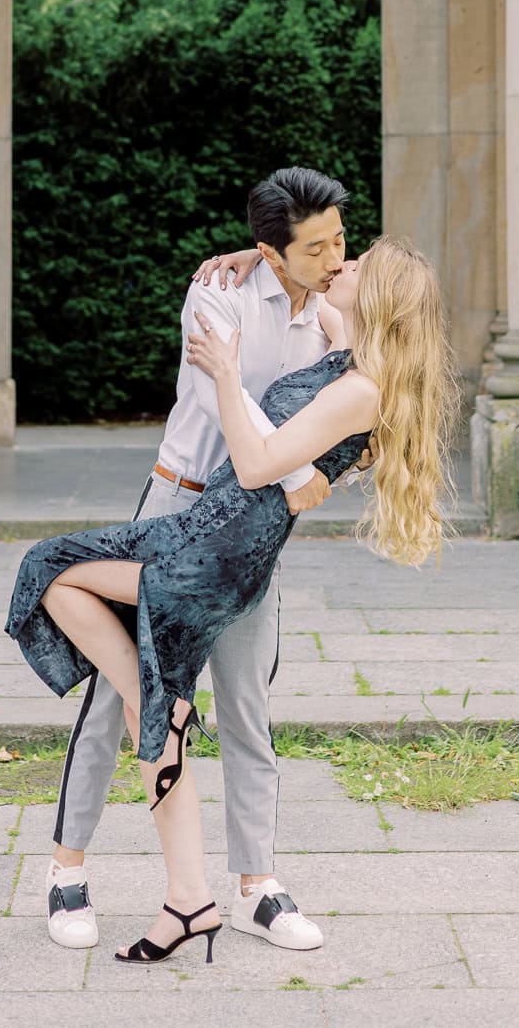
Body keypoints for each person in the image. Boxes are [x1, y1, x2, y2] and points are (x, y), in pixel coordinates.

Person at [5, 231, 455, 965]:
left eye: (355, 260)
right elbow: (306, 276)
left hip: (213, 551)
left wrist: (224, 372)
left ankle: (234, 883)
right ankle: (141, 880)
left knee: (55, 575)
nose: (341, 262)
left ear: (379, 296)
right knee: (93, 640)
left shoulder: (359, 387)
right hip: (198, 530)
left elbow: (253, 463)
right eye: (333, 248)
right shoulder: (348, 345)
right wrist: (260, 254)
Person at [38, 166, 349, 954]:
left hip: (253, 526)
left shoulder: (334, 306)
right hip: (177, 505)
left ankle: (256, 886)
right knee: (117, 697)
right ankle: (66, 868)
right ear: (269, 251)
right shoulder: (218, 293)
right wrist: (303, 477)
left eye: (340, 239)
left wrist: (316, 474)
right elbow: (225, 403)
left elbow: (388, 329)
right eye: (316, 247)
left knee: (247, 700)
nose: (336, 257)